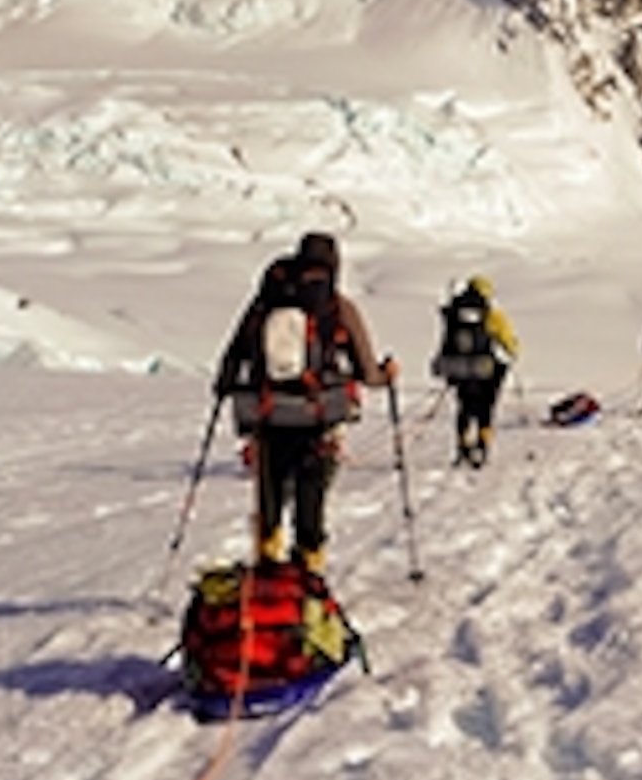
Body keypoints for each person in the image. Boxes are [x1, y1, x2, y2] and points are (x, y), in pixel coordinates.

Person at [212, 231, 395, 572]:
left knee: (270, 488)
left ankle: (267, 556)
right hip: (316, 414)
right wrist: (385, 375)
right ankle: (308, 567)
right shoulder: (338, 307)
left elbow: (235, 353)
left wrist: (226, 386)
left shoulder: (264, 302)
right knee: (311, 491)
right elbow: (367, 372)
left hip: (266, 412)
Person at [432, 274, 520, 467]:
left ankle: (462, 444)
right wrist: (512, 350)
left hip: (458, 368)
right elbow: (506, 337)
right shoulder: (490, 314)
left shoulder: (453, 311)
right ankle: (482, 445)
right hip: (484, 368)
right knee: (485, 408)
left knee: (464, 405)